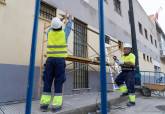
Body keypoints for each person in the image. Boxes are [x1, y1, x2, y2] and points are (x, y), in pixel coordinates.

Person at [40, 16, 72, 112]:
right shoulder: (64, 33)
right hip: (59, 61)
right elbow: (69, 27)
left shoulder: (49, 33)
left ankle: (44, 106)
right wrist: (69, 19)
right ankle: (56, 106)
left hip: (49, 61)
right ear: (60, 26)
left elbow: (51, 27)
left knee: (47, 82)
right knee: (58, 82)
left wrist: (59, 20)